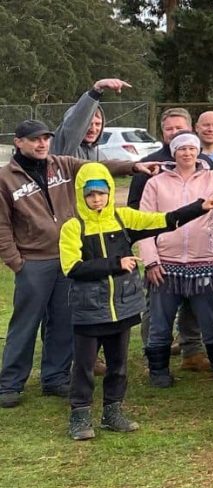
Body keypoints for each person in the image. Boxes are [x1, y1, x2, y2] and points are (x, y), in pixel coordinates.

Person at [1, 119, 156, 409]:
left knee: (63, 320)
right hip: (34, 260)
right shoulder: (6, 178)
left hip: (71, 257)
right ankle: (10, 384)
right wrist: (15, 260)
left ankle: (55, 378)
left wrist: (133, 167)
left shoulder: (61, 164)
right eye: (34, 139)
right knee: (26, 322)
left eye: (46, 138)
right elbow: (2, 224)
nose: (42, 144)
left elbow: (99, 168)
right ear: (18, 142)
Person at [60, 163, 213, 440]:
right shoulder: (73, 227)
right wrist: (115, 265)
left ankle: (113, 412)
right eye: (90, 194)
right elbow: (72, 268)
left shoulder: (123, 219)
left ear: (109, 192)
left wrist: (198, 207)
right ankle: (80, 415)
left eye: (102, 193)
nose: (97, 199)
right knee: (84, 366)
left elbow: (165, 220)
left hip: (122, 308)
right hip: (88, 311)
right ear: (80, 195)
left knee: (118, 364)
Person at [136, 132, 213, 387]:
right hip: (165, 261)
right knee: (160, 322)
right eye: (181, 149)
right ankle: (158, 370)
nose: (187, 153)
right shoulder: (156, 183)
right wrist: (151, 261)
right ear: (173, 153)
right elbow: (143, 225)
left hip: (204, 259)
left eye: (191, 149)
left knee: (211, 319)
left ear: (198, 152)